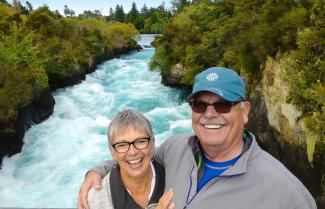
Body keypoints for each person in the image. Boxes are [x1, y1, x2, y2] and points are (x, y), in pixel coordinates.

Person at [79, 67, 317, 209]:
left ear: (244, 111)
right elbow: (137, 157)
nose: (210, 114)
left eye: (223, 105)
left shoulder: (285, 191)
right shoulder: (175, 148)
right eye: (199, 104)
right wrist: (97, 171)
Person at [86, 109, 174, 209]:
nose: (133, 152)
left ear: (153, 143)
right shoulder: (95, 200)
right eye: (122, 145)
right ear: (112, 151)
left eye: (140, 141)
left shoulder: (174, 175)